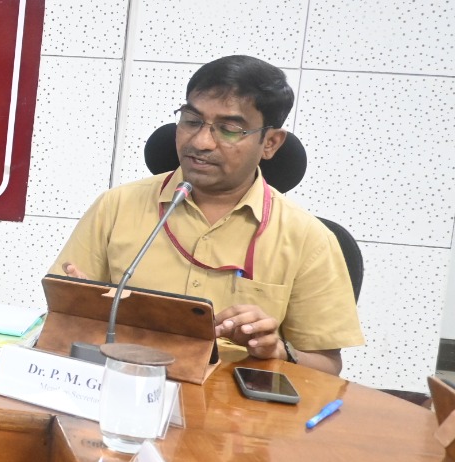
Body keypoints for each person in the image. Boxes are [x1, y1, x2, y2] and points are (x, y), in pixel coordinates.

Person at [52, 55, 361, 375]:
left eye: (229, 129)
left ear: (270, 142)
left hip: (232, 402)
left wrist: (278, 351)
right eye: (191, 120)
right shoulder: (116, 207)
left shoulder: (309, 239)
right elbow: (60, 320)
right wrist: (77, 309)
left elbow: (326, 366)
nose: (201, 141)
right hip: (125, 383)